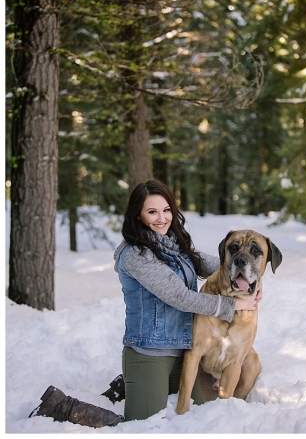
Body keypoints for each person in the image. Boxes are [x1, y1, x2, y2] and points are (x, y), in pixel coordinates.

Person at [30, 179, 259, 427]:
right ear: (138, 215)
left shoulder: (174, 244)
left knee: (197, 416)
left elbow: (210, 264)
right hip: (150, 352)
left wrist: (244, 271)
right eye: (152, 212)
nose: (162, 218)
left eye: (166, 210)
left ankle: (131, 383)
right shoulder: (136, 255)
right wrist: (232, 306)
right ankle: (61, 407)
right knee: (142, 426)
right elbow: (180, 298)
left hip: (182, 352)